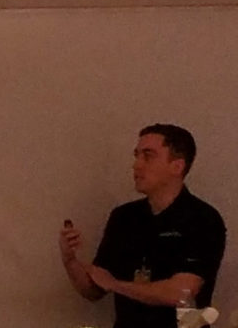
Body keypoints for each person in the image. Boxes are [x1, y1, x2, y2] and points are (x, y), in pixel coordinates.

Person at [59, 124, 227, 328]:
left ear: (177, 166)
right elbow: (94, 289)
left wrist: (116, 285)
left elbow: (181, 292)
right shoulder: (124, 217)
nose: (136, 165)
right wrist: (70, 260)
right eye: (136, 156)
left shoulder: (203, 219)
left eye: (148, 156)